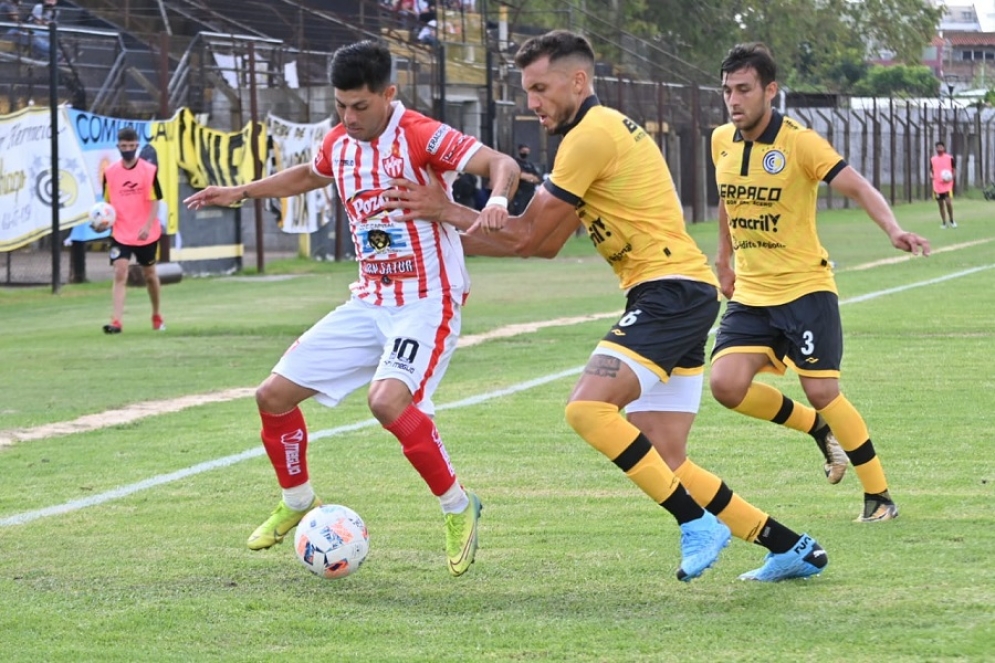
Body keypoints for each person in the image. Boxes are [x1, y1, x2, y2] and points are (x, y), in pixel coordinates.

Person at [385, 30, 830, 582]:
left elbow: (528, 238)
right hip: (680, 291)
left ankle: (696, 523)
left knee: (586, 409)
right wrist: (439, 231)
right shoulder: (594, 132)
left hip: (668, 291)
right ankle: (790, 546)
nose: (533, 103)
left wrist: (444, 212)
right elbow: (543, 242)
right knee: (666, 458)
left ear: (578, 81)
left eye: (541, 89)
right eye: (527, 91)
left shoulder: (588, 137)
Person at [184, 40, 520, 577]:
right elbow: (309, 174)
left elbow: (500, 163)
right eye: (340, 106)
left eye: (360, 106)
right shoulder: (339, 141)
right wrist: (242, 191)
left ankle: (459, 506)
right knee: (272, 395)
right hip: (369, 300)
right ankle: (298, 502)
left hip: (426, 302)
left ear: (389, 94)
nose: (348, 117)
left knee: (386, 401)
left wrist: (496, 201)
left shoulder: (419, 135)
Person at [710, 42, 931, 523]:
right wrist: (723, 260)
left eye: (743, 89)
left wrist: (893, 229)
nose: (733, 100)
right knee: (726, 386)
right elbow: (728, 199)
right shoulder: (720, 140)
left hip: (806, 290)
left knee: (823, 392)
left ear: (770, 90)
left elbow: (859, 186)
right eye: (727, 90)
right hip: (751, 293)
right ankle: (816, 430)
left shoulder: (800, 142)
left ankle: (879, 497)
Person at [101, 126, 165, 334]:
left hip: (144, 232)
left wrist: (147, 226)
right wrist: (104, 220)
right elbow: (107, 204)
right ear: (118, 146)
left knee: (149, 274)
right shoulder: (110, 172)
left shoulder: (148, 170)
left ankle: (156, 314)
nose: (127, 149)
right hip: (120, 232)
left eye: (131, 145)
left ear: (136, 146)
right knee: (120, 272)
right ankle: (116, 321)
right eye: (123, 146)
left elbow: (155, 201)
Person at [510, 143, 542, 215]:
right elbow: (519, 175)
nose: (525, 153)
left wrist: (528, 177)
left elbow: (537, 178)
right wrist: (530, 177)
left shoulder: (530, 165)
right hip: (520, 193)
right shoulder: (515, 162)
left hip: (530, 193)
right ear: (519, 151)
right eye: (524, 151)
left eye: (527, 151)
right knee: (519, 213)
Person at [930, 141, 956, 228]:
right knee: (941, 204)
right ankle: (944, 223)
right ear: (936, 149)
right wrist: (931, 175)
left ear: (944, 148)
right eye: (938, 147)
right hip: (937, 185)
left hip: (947, 185)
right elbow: (931, 170)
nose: (939, 149)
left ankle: (952, 220)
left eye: (941, 147)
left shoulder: (949, 158)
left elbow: (954, 169)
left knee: (948, 202)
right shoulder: (933, 159)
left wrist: (951, 177)